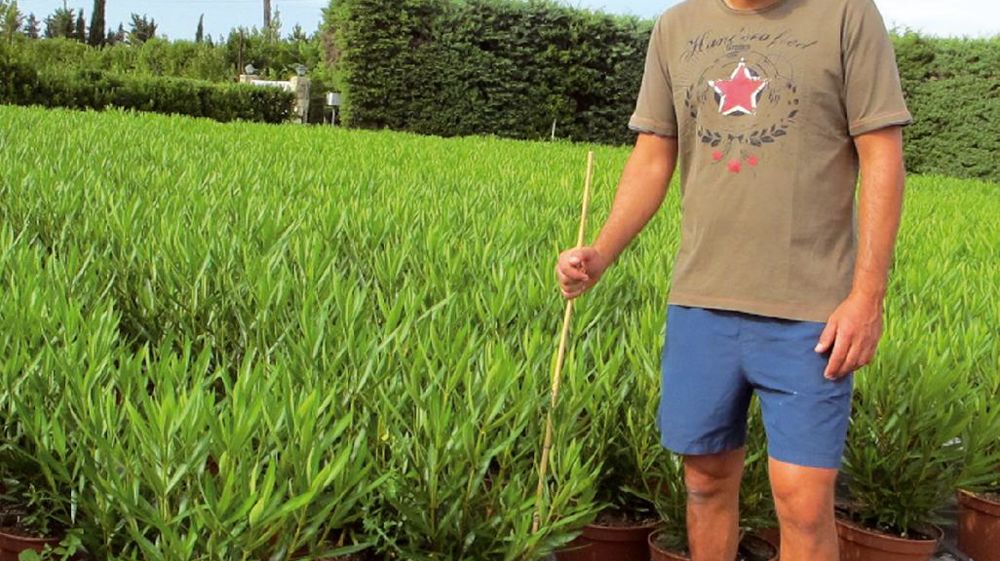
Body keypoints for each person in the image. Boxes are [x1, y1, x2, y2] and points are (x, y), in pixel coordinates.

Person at [555, 0, 912, 559]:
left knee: (803, 501)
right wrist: (601, 252)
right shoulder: (676, 27)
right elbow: (654, 154)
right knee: (704, 481)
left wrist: (868, 296)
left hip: (811, 314)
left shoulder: (845, 14)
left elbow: (882, 155)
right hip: (701, 303)